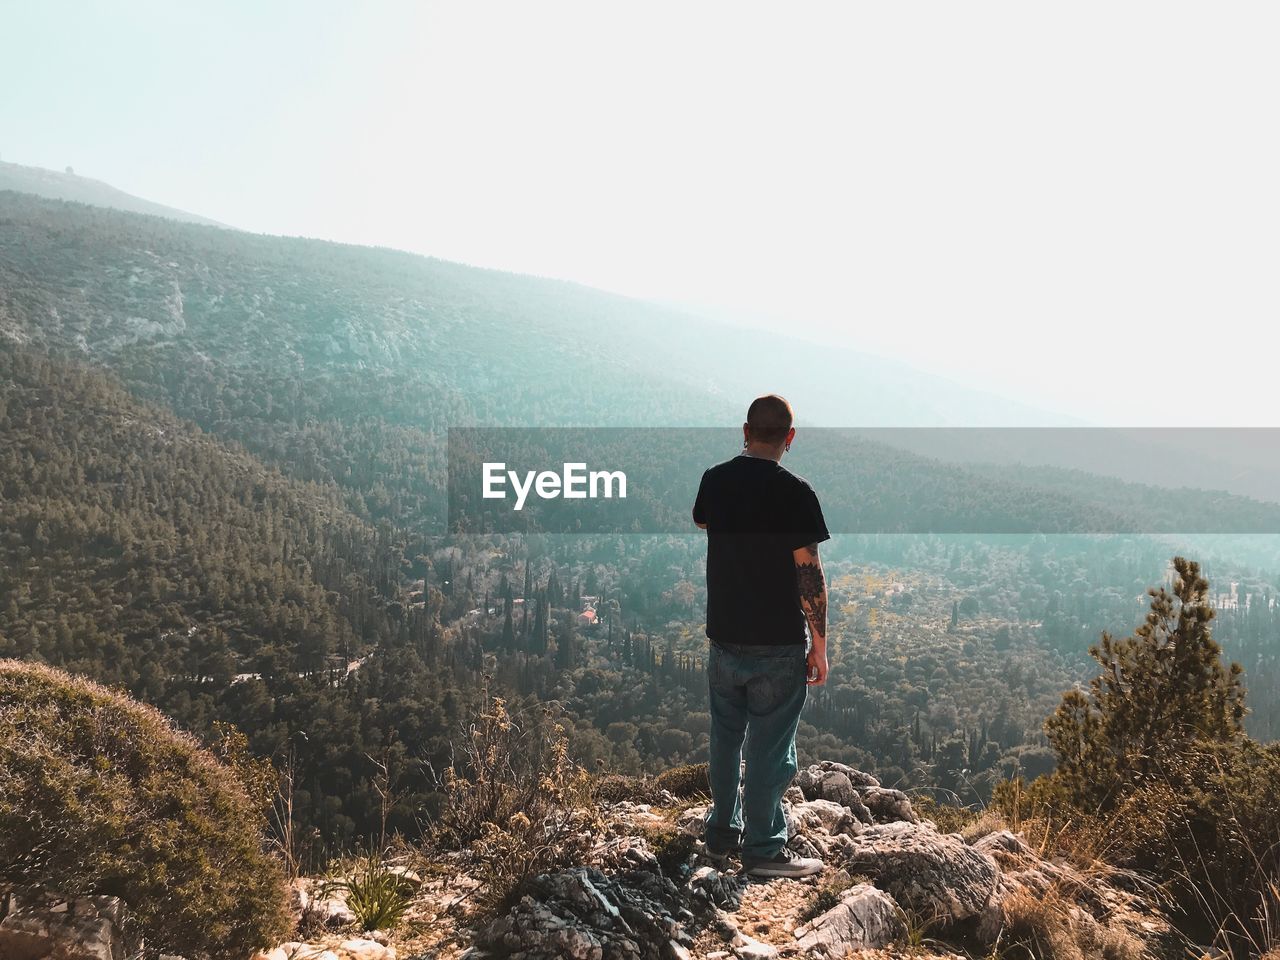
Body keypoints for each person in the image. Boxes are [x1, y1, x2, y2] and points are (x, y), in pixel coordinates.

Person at [692, 394, 830, 878]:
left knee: (725, 740)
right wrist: (820, 644)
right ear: (789, 438)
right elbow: (808, 573)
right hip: (776, 642)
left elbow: (703, 519)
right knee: (770, 747)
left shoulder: (715, 480)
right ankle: (765, 849)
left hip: (724, 636)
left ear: (744, 431)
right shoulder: (797, 493)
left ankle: (720, 836)